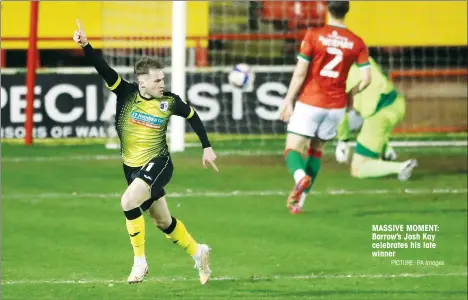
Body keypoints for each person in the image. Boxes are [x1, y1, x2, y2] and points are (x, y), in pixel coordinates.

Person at [73, 20, 217, 285]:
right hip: (131, 167)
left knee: (128, 202)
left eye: (163, 79)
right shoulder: (125, 92)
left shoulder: (169, 101)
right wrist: (86, 46)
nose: (162, 83)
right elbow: (103, 69)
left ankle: (140, 262)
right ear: (142, 82)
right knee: (163, 222)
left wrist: (206, 146)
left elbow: (193, 116)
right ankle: (199, 252)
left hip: (159, 162)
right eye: (157, 80)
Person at [280, 1, 371, 214]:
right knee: (316, 150)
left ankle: (300, 177)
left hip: (311, 101)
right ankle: (299, 203)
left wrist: (288, 99)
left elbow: (301, 72)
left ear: (328, 9)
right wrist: (351, 94)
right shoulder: (357, 42)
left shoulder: (314, 35)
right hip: (336, 106)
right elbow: (366, 78)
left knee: (292, 149)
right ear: (346, 11)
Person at [335, 57, 418, 180]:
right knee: (368, 122)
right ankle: (386, 149)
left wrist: (343, 141)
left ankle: (401, 167)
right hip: (397, 103)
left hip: (379, 115)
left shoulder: (336, 77)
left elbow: (340, 112)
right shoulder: (364, 58)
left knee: (358, 168)